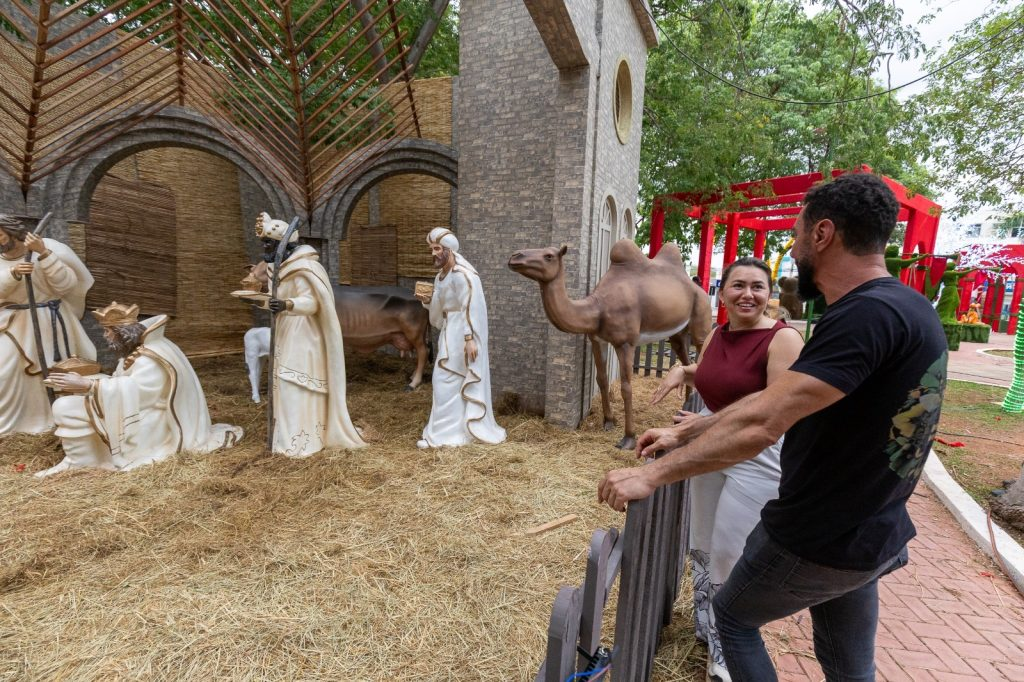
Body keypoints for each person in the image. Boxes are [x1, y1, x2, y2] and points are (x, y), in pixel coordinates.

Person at [598, 173, 947, 681]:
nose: (798, 248)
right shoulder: (906, 307)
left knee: (734, 619)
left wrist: (653, 475)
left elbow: (764, 422)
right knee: (849, 668)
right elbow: (769, 400)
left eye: (800, 236)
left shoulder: (863, 317)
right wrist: (685, 433)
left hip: (820, 536)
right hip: (873, 531)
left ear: (823, 234)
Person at [649, 257, 803, 682]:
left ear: (770, 294)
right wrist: (685, 368)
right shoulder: (719, 333)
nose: (747, 294)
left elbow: (771, 407)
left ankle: (728, 647)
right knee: (700, 540)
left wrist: (699, 425)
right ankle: (707, 625)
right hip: (712, 446)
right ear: (723, 292)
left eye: (757, 286)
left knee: (729, 552)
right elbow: (718, 374)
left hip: (758, 456)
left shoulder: (782, 340)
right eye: (738, 285)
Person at [41, 302, 243, 477]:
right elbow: (123, 383)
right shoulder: (135, 354)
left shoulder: (150, 359)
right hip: (137, 411)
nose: (105, 336)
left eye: (108, 331)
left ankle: (81, 461)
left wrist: (89, 385)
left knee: (66, 407)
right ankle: (79, 459)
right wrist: (87, 383)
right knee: (66, 406)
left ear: (122, 334)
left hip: (152, 423)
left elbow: (141, 395)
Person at [255, 213, 365, 456]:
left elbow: (313, 302)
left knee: (295, 384)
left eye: (268, 244)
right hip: (286, 331)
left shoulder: (306, 267)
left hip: (304, 335)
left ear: (283, 245)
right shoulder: (279, 268)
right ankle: (287, 441)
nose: (265, 248)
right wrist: (267, 303)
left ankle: (304, 442)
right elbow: (278, 300)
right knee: (282, 387)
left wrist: (288, 305)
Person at [0, 214, 96, 437]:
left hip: (47, 322)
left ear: (11, 230)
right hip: (13, 323)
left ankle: (50, 422)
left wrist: (43, 254)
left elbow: (66, 285)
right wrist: (12, 274)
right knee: (4, 372)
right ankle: (12, 430)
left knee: (51, 371)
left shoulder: (48, 247)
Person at [414, 228, 505, 448]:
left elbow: (469, 307)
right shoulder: (441, 276)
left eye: (437, 249)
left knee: (446, 380)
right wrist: (427, 301)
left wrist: (469, 338)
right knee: (445, 382)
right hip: (449, 332)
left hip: (461, 336)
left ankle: (452, 434)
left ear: (448, 250)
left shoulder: (462, 275)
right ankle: (445, 432)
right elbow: (441, 307)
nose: (433, 253)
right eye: (431, 249)